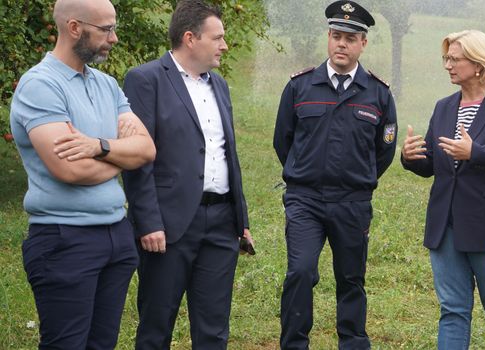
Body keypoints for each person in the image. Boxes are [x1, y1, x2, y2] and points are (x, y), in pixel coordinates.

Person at [8, 0, 156, 347]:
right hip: (65, 241)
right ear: (74, 28)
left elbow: (147, 149)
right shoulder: (40, 86)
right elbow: (69, 169)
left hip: (116, 236)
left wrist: (99, 146)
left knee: (102, 344)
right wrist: (122, 155)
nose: (114, 38)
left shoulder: (106, 85)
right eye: (106, 29)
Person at [122, 1, 253, 348]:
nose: (225, 45)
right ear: (190, 38)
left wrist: (241, 219)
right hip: (170, 223)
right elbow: (137, 158)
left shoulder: (219, 85)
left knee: (213, 329)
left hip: (222, 222)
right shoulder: (145, 79)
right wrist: (148, 221)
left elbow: (227, 154)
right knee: (156, 325)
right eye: (218, 37)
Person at [273, 1, 397, 348]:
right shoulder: (300, 87)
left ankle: (353, 342)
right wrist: (306, 171)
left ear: (363, 44)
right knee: (299, 273)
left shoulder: (378, 94)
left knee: (351, 278)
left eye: (350, 38)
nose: (342, 44)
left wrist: (356, 178)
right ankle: (294, 343)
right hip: (305, 200)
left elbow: (384, 151)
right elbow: (283, 140)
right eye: (336, 36)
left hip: (352, 203)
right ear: (328, 38)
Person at [400, 29, 485, 350]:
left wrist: (476, 153)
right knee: (452, 310)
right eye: (446, 58)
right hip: (445, 227)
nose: (447, 65)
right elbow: (436, 165)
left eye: (455, 59)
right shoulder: (444, 107)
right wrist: (411, 157)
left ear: (478, 64)